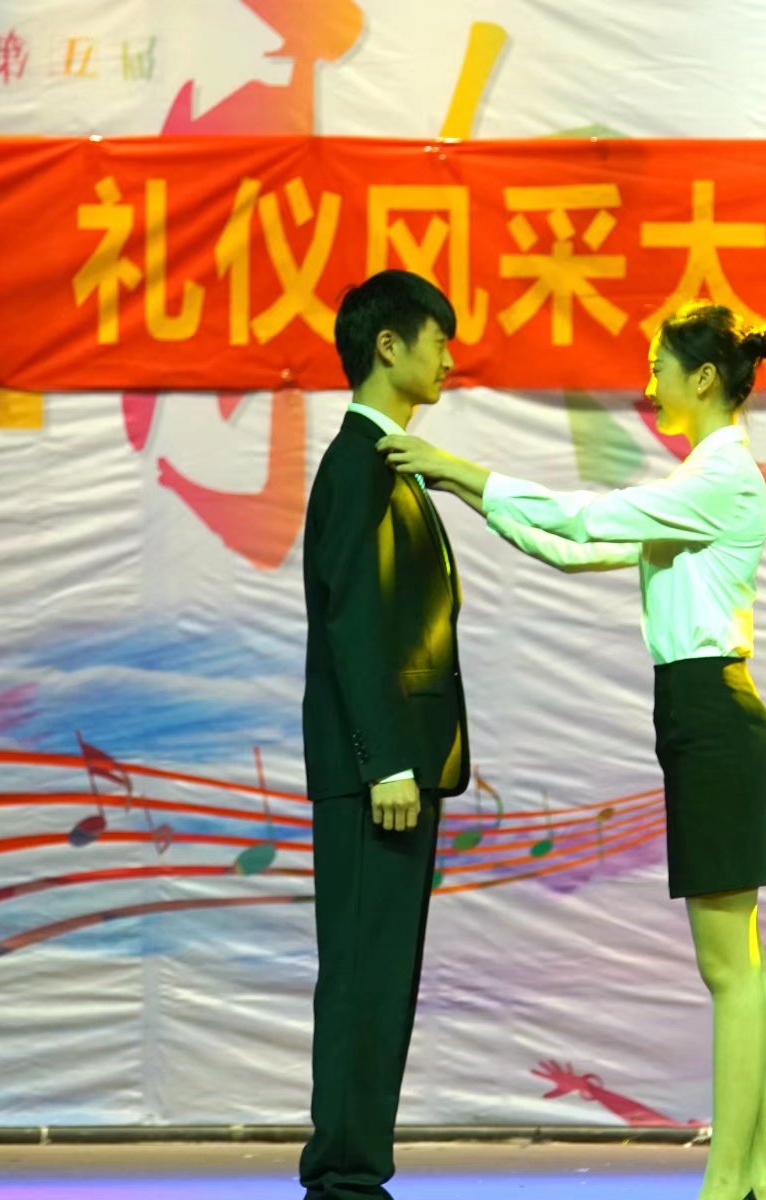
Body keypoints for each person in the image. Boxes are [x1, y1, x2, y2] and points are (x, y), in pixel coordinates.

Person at [380, 302, 766, 1200]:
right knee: (743, 966)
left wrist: (459, 466)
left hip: (711, 715)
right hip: (701, 714)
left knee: (728, 970)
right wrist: (464, 492)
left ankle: (728, 1185)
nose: (646, 384)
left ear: (701, 378)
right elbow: (572, 549)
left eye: (657, 367)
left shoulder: (721, 476)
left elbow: (585, 516)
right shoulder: (701, 478)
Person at [299, 270, 470, 1200]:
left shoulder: (388, 461)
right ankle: (343, 1179)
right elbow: (355, 622)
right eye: (438, 339)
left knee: (380, 977)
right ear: (388, 346)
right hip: (380, 776)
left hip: (394, 771)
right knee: (364, 977)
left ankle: (355, 1170)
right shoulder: (359, 463)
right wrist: (386, 763)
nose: (449, 358)